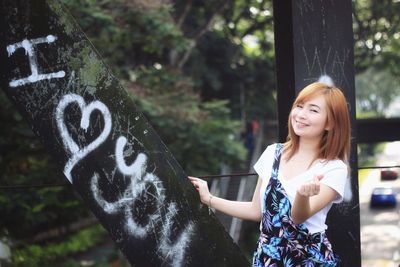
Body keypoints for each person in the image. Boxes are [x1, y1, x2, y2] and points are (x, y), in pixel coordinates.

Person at [189, 82, 351, 266]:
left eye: (313, 110)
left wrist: (302, 195)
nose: (301, 115)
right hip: (268, 259)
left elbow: (298, 217)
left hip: (309, 260)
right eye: (299, 106)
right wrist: (209, 198)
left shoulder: (333, 168)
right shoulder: (272, 153)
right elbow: (256, 211)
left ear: (330, 123)